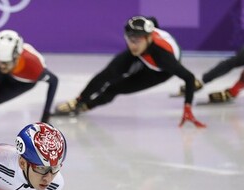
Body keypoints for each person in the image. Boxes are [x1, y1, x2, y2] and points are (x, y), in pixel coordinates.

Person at [53, 16, 205, 128]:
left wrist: (187, 108)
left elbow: (189, 77)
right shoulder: (138, 46)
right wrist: (79, 99)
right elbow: (151, 21)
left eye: (137, 40)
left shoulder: (163, 57)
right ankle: (79, 101)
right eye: (129, 39)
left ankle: (87, 106)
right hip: (143, 55)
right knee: (108, 74)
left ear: (148, 38)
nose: (132, 44)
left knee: (115, 88)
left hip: (159, 71)